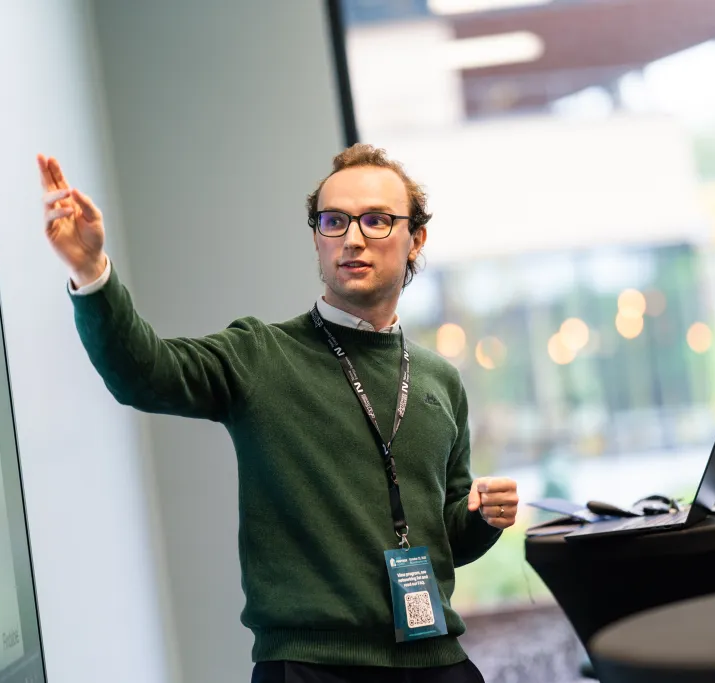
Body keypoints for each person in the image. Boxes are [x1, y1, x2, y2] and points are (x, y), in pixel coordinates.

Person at [37, 144, 519, 683]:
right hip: (311, 666)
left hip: (437, 660)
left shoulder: (439, 380)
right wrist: (91, 271)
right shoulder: (260, 355)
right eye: (334, 221)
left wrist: (481, 516)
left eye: (377, 221)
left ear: (416, 238)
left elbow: (446, 540)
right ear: (316, 236)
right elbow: (141, 373)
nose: (352, 238)